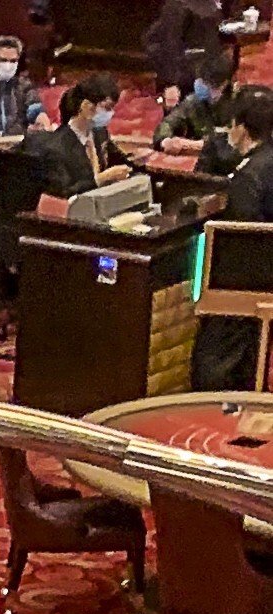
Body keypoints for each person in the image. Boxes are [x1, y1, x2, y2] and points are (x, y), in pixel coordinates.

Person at [196, 93, 273, 388]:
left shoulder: (248, 177)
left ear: (241, 127)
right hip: (264, 281)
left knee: (220, 358)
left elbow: (241, 237)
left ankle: (217, 414)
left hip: (243, 287)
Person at [29, 76, 133, 198]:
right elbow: (63, 191)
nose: (111, 113)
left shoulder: (101, 135)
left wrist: (141, 161)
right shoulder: (58, 147)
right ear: (86, 107)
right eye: (107, 108)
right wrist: (101, 180)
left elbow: (122, 162)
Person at [154, 49, 238, 171]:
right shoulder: (193, 101)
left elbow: (233, 145)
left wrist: (191, 145)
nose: (202, 86)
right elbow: (168, 123)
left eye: (207, 83)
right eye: (201, 81)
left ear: (223, 84)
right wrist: (165, 141)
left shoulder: (239, 103)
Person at [146, 0, 223, 109]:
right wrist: (171, 82)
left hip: (193, 75)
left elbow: (152, 41)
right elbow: (165, 43)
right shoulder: (180, 9)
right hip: (187, 80)